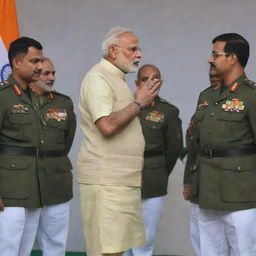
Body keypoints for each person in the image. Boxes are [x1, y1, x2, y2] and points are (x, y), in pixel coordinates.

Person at [77, 27, 161, 256]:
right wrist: (138, 103)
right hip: (106, 183)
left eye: (139, 49)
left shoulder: (117, 79)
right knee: (105, 251)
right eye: (133, 49)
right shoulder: (98, 78)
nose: (139, 54)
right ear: (113, 51)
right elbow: (107, 126)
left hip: (121, 182)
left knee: (116, 251)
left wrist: (136, 102)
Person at [0, 37, 75, 256]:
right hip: (9, 187)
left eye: (41, 61)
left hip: (33, 189)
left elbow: (62, 142)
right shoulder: (3, 97)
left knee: (24, 248)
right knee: (7, 245)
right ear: (16, 62)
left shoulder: (40, 98)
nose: (40, 67)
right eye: (34, 61)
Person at [188, 33, 256, 256]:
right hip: (207, 187)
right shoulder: (206, 96)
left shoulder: (251, 95)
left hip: (240, 190)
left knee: (243, 251)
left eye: (215, 54)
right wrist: (192, 181)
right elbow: (197, 144)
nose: (210, 59)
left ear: (233, 58)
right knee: (208, 251)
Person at [20, 57, 76, 256]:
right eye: (46, 73)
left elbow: (67, 141)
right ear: (33, 74)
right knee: (21, 242)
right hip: (25, 182)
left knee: (56, 240)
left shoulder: (64, 102)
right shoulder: (18, 100)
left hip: (56, 180)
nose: (52, 77)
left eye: (53, 73)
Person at [125, 64, 183, 256]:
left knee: (145, 238)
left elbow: (173, 149)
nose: (150, 83)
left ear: (161, 83)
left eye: (155, 78)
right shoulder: (122, 107)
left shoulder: (168, 111)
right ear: (136, 82)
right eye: (145, 79)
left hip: (153, 178)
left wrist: (158, 170)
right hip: (122, 179)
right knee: (121, 236)